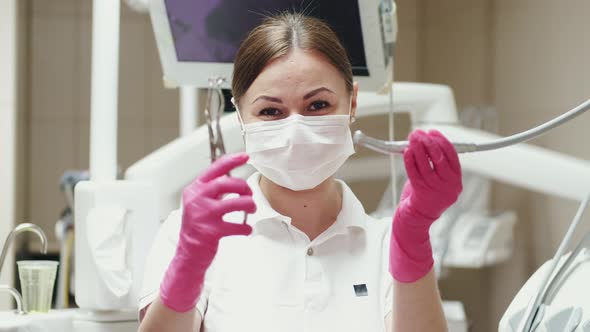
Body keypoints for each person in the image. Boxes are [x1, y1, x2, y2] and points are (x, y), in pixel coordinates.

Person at [138, 12, 462, 332]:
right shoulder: (194, 235)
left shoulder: (387, 246)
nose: (295, 129)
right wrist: (188, 265)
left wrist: (413, 238)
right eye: (270, 111)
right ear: (239, 115)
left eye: (318, 105)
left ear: (352, 104)